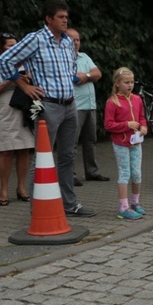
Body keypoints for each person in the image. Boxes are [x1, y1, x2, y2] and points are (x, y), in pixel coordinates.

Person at [0, 0, 95, 217]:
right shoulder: (36, 39)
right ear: (48, 19)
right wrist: (23, 85)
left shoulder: (68, 42)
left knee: (67, 158)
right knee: (43, 158)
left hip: (69, 105)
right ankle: (38, 211)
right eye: (60, 17)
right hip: (48, 106)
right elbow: (4, 61)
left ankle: (70, 205)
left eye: (66, 17)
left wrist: (82, 77)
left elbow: (67, 71)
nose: (65, 20)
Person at [0, 32, 35, 206]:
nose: (14, 48)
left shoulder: (24, 65)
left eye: (15, 45)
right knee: (6, 151)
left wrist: (27, 80)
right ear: (1, 48)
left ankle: (21, 187)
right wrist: (8, 81)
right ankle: (3, 190)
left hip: (23, 110)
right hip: (4, 112)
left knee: (24, 149)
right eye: (9, 46)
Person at [66, 28, 109, 187]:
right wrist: (87, 76)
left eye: (78, 40)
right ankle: (70, 175)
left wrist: (87, 76)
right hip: (75, 106)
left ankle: (92, 171)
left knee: (91, 140)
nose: (76, 42)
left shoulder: (84, 56)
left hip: (90, 105)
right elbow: (75, 79)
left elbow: (98, 74)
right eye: (72, 39)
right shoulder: (63, 58)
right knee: (72, 142)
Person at [104, 67, 148, 220]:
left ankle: (135, 202)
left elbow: (142, 117)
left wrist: (143, 127)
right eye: (126, 82)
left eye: (132, 82)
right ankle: (123, 206)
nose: (130, 85)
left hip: (136, 143)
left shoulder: (137, 99)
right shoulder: (112, 102)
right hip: (121, 143)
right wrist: (126, 125)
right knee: (125, 173)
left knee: (137, 173)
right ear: (117, 83)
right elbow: (108, 125)